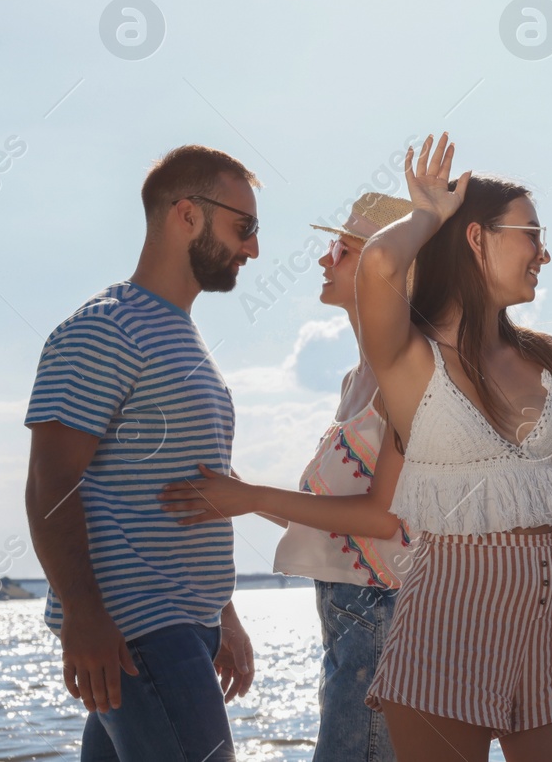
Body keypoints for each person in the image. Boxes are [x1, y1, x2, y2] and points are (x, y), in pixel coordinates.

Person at [355, 133, 552, 762]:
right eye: (531, 233)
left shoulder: (547, 356)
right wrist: (425, 217)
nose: (543, 254)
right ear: (477, 238)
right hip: (447, 630)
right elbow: (379, 269)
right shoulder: (412, 359)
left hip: (551, 637)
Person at [158, 192, 417, 762]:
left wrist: (246, 495)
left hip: (383, 615)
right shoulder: (358, 376)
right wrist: (234, 489)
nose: (325, 260)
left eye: (342, 250)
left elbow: (380, 517)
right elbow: (325, 515)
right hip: (353, 616)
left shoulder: (408, 368)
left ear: (387, 267)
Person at [23, 145, 261, 762]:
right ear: (187, 214)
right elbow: (51, 482)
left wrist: (223, 616)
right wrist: (83, 614)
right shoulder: (106, 328)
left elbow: (193, 493)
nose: (253, 248)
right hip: (138, 632)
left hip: (180, 628)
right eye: (245, 227)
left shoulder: (183, 337)